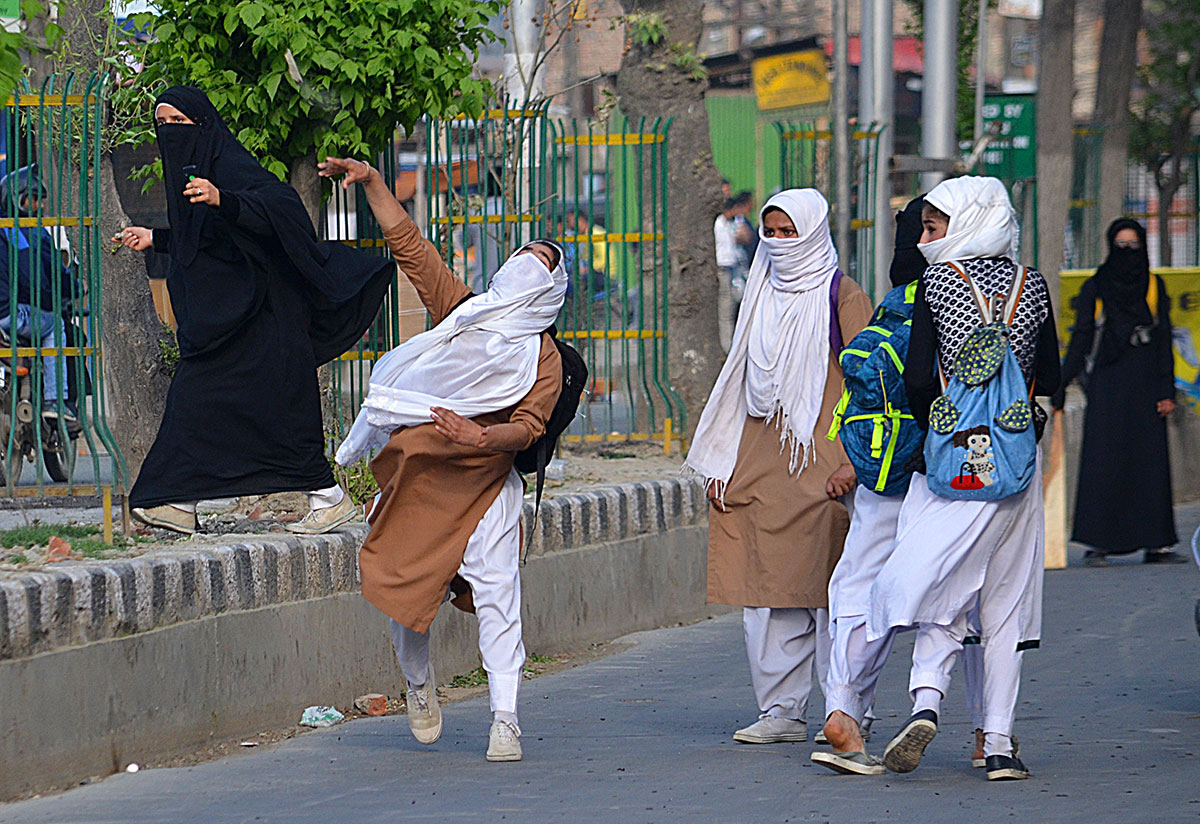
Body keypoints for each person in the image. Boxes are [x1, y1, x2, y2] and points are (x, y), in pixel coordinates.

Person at [319, 156, 566, 763]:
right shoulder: (463, 313)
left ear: (549, 291)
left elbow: (530, 428)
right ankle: (419, 685)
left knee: (500, 595)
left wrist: (480, 437)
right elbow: (411, 248)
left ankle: (505, 717)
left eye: (535, 267)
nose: (518, 272)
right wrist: (375, 184)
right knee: (410, 594)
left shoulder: (544, 357)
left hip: (485, 487)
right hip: (421, 481)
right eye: (519, 259)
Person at [113, 87, 393, 535]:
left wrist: (225, 199)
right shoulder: (192, 174)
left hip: (263, 316)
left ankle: (185, 500)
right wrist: (156, 238)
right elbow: (206, 240)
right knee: (227, 408)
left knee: (219, 403)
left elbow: (280, 209)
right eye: (161, 125)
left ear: (202, 127)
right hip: (229, 321)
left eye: (178, 125)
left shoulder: (228, 166)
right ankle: (184, 502)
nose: (169, 134)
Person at [867, 176, 1060, 781]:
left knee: (942, 598)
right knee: (1002, 609)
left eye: (932, 228)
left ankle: (926, 702)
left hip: (948, 467)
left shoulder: (936, 284)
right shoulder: (1032, 286)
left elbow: (920, 378)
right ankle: (999, 743)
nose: (925, 241)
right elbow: (1051, 372)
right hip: (1015, 469)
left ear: (965, 222)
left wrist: (947, 425)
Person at [686, 189, 872, 746]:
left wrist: (855, 463)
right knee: (768, 592)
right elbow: (738, 381)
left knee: (830, 592)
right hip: (762, 454)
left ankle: (845, 710)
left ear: (814, 231)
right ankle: (781, 712)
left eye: (790, 231)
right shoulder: (759, 293)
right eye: (771, 231)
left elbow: (869, 384)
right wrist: (721, 461)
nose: (779, 242)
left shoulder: (844, 294)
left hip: (826, 457)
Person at [813, 196, 988, 776]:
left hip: (882, 468)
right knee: (951, 590)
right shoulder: (966, 291)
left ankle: (844, 708)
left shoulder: (892, 300)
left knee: (859, 585)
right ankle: (978, 725)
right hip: (942, 467)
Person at [1053, 219, 1183, 566]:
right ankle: (1099, 544)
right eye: (1120, 246)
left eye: (1133, 246)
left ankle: (1156, 544)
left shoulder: (1154, 286)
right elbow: (1081, 335)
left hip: (1146, 385)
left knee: (1149, 463)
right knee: (1103, 461)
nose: (1128, 253)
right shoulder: (1096, 286)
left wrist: (1166, 390)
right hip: (1107, 384)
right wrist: (1060, 382)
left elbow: (1163, 341)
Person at [0, 165, 81, 425]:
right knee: (55, 325)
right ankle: (55, 402)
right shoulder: (25, 231)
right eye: (33, 199)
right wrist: (74, 289)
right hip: (9, 314)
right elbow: (41, 276)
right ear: (17, 198)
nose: (40, 207)